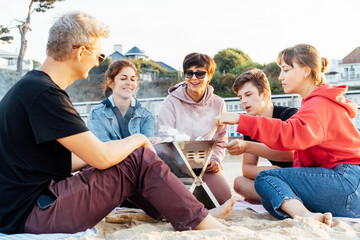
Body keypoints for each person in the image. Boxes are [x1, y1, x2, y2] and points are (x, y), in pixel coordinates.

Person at [0, 11, 236, 234]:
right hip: (34, 212)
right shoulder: (45, 94)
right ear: (81, 52)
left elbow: (63, 160)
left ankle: (189, 212)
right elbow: (101, 156)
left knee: (129, 158)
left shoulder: (32, 87)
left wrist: (121, 151)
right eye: (99, 55)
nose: (98, 62)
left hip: (23, 208)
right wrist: (138, 139)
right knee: (138, 158)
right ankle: (199, 220)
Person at [215, 44, 360, 226]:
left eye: (286, 70)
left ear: (306, 71)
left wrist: (240, 119)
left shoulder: (319, 105)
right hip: (344, 184)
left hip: (345, 182)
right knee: (270, 197)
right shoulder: (315, 103)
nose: (280, 76)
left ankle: (304, 215)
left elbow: (289, 134)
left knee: (266, 179)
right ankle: (306, 213)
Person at [157, 53, 232, 205]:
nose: (194, 78)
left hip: (206, 164)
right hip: (176, 166)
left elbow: (221, 139)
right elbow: (164, 137)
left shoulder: (218, 103)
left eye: (200, 73)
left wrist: (215, 161)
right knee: (175, 200)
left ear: (209, 76)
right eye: (189, 73)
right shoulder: (170, 102)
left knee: (224, 197)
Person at [224, 69, 297, 204]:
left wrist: (247, 146)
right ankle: (280, 198)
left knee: (264, 186)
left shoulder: (289, 115)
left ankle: (277, 198)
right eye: (240, 97)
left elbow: (292, 153)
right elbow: (247, 168)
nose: (244, 101)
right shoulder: (249, 124)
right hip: (277, 178)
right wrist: (271, 170)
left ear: (264, 94)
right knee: (239, 182)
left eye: (248, 95)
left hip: (300, 175)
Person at [87, 60, 158, 143]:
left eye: (133, 79)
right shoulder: (97, 114)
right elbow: (103, 151)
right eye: (123, 79)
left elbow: (148, 150)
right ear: (110, 83)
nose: (129, 83)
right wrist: (138, 142)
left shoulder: (146, 115)